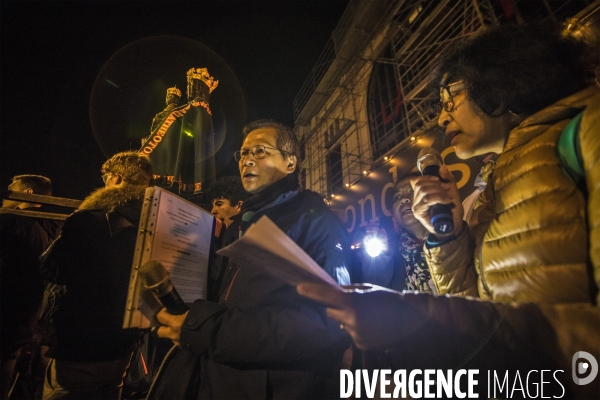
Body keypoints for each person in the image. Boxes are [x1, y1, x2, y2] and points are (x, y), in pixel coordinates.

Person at [297, 24, 600, 399]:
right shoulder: (495, 184)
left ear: (499, 81)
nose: (442, 119)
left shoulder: (585, 132)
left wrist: (419, 321)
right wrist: (448, 236)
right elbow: (482, 313)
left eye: (450, 99)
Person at [150, 119, 353, 399]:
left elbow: (326, 323)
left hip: (278, 386)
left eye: (260, 151)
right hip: (222, 380)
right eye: (243, 153)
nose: (247, 160)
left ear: (290, 163)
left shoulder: (316, 222)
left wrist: (209, 329)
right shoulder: (242, 223)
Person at [40, 151, 153, 400]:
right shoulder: (155, 224)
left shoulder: (87, 220)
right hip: (125, 340)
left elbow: (51, 268)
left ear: (115, 178)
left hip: (81, 339)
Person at [1, 175, 62, 400]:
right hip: (30, 311)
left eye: (12, 187)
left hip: (6, 306)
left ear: (27, 193)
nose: (7, 190)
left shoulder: (10, 221)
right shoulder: (55, 224)